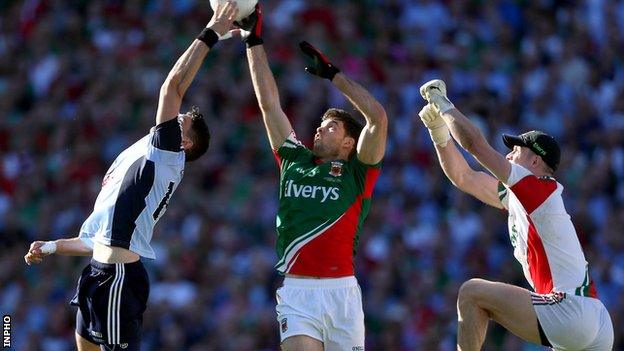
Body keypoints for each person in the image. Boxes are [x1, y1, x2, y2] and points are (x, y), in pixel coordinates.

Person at [23, 2, 240, 350]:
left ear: (184, 142)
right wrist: (49, 247)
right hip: (99, 270)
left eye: (181, 120)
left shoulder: (168, 154)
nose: (174, 116)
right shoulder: (141, 157)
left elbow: (172, 87)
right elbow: (93, 239)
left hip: (119, 278)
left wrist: (213, 30)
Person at [417, 79, 614, 351]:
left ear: (535, 161)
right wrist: (438, 133)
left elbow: (474, 144)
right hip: (596, 318)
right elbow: (464, 177)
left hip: (570, 310)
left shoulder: (537, 188)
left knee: (471, 293)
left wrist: (444, 106)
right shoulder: (527, 197)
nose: (509, 155)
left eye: (516, 150)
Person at [235, 5, 387, 351]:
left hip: (342, 293)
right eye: (319, 124)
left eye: (330, 127)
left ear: (350, 143)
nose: (320, 128)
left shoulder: (357, 174)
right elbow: (269, 105)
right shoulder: (293, 158)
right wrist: (252, 41)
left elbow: (377, 118)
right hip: (298, 291)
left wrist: (334, 75)